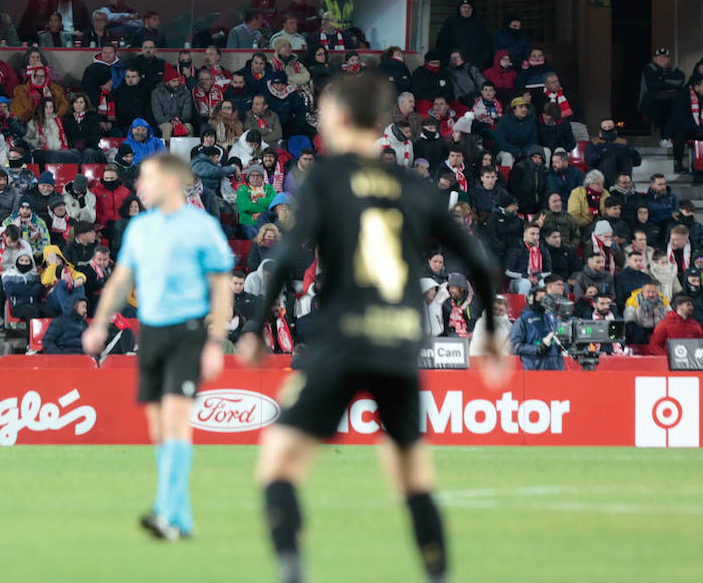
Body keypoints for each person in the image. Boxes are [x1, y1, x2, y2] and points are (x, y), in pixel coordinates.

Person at [239, 73, 502, 583]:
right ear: (381, 120)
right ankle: (438, 574)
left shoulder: (326, 179)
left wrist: (254, 327)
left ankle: (292, 569)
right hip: (401, 340)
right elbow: (473, 252)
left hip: (342, 338)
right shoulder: (411, 184)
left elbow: (290, 251)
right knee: (411, 474)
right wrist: (491, 325)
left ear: (336, 118)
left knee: (278, 463)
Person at [82, 153, 235, 540]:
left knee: (175, 420)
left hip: (188, 331)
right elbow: (120, 280)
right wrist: (99, 323)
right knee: (156, 426)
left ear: (170, 182)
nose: (138, 187)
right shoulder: (140, 228)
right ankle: (180, 518)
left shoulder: (202, 227)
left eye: (146, 179)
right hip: (150, 331)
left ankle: (165, 511)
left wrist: (215, 340)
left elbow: (221, 285)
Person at [509, 283, 564, 370]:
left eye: (545, 295)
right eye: (540, 295)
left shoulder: (551, 317)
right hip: (535, 369)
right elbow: (515, 346)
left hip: (555, 368)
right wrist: (537, 349)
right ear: (532, 298)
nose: (544, 298)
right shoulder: (523, 319)